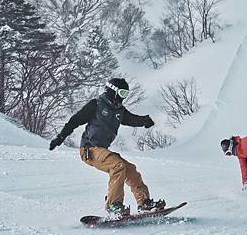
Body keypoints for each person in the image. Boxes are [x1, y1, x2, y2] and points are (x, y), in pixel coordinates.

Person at [49, 77, 165, 217]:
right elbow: (75, 121)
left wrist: (144, 121)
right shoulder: (96, 105)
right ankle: (113, 205)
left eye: (126, 94)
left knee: (131, 170)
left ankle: (144, 203)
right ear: (113, 91)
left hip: (102, 150)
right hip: (89, 149)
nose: (123, 97)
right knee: (117, 165)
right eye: (122, 93)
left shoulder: (119, 110)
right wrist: (60, 137)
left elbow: (131, 119)